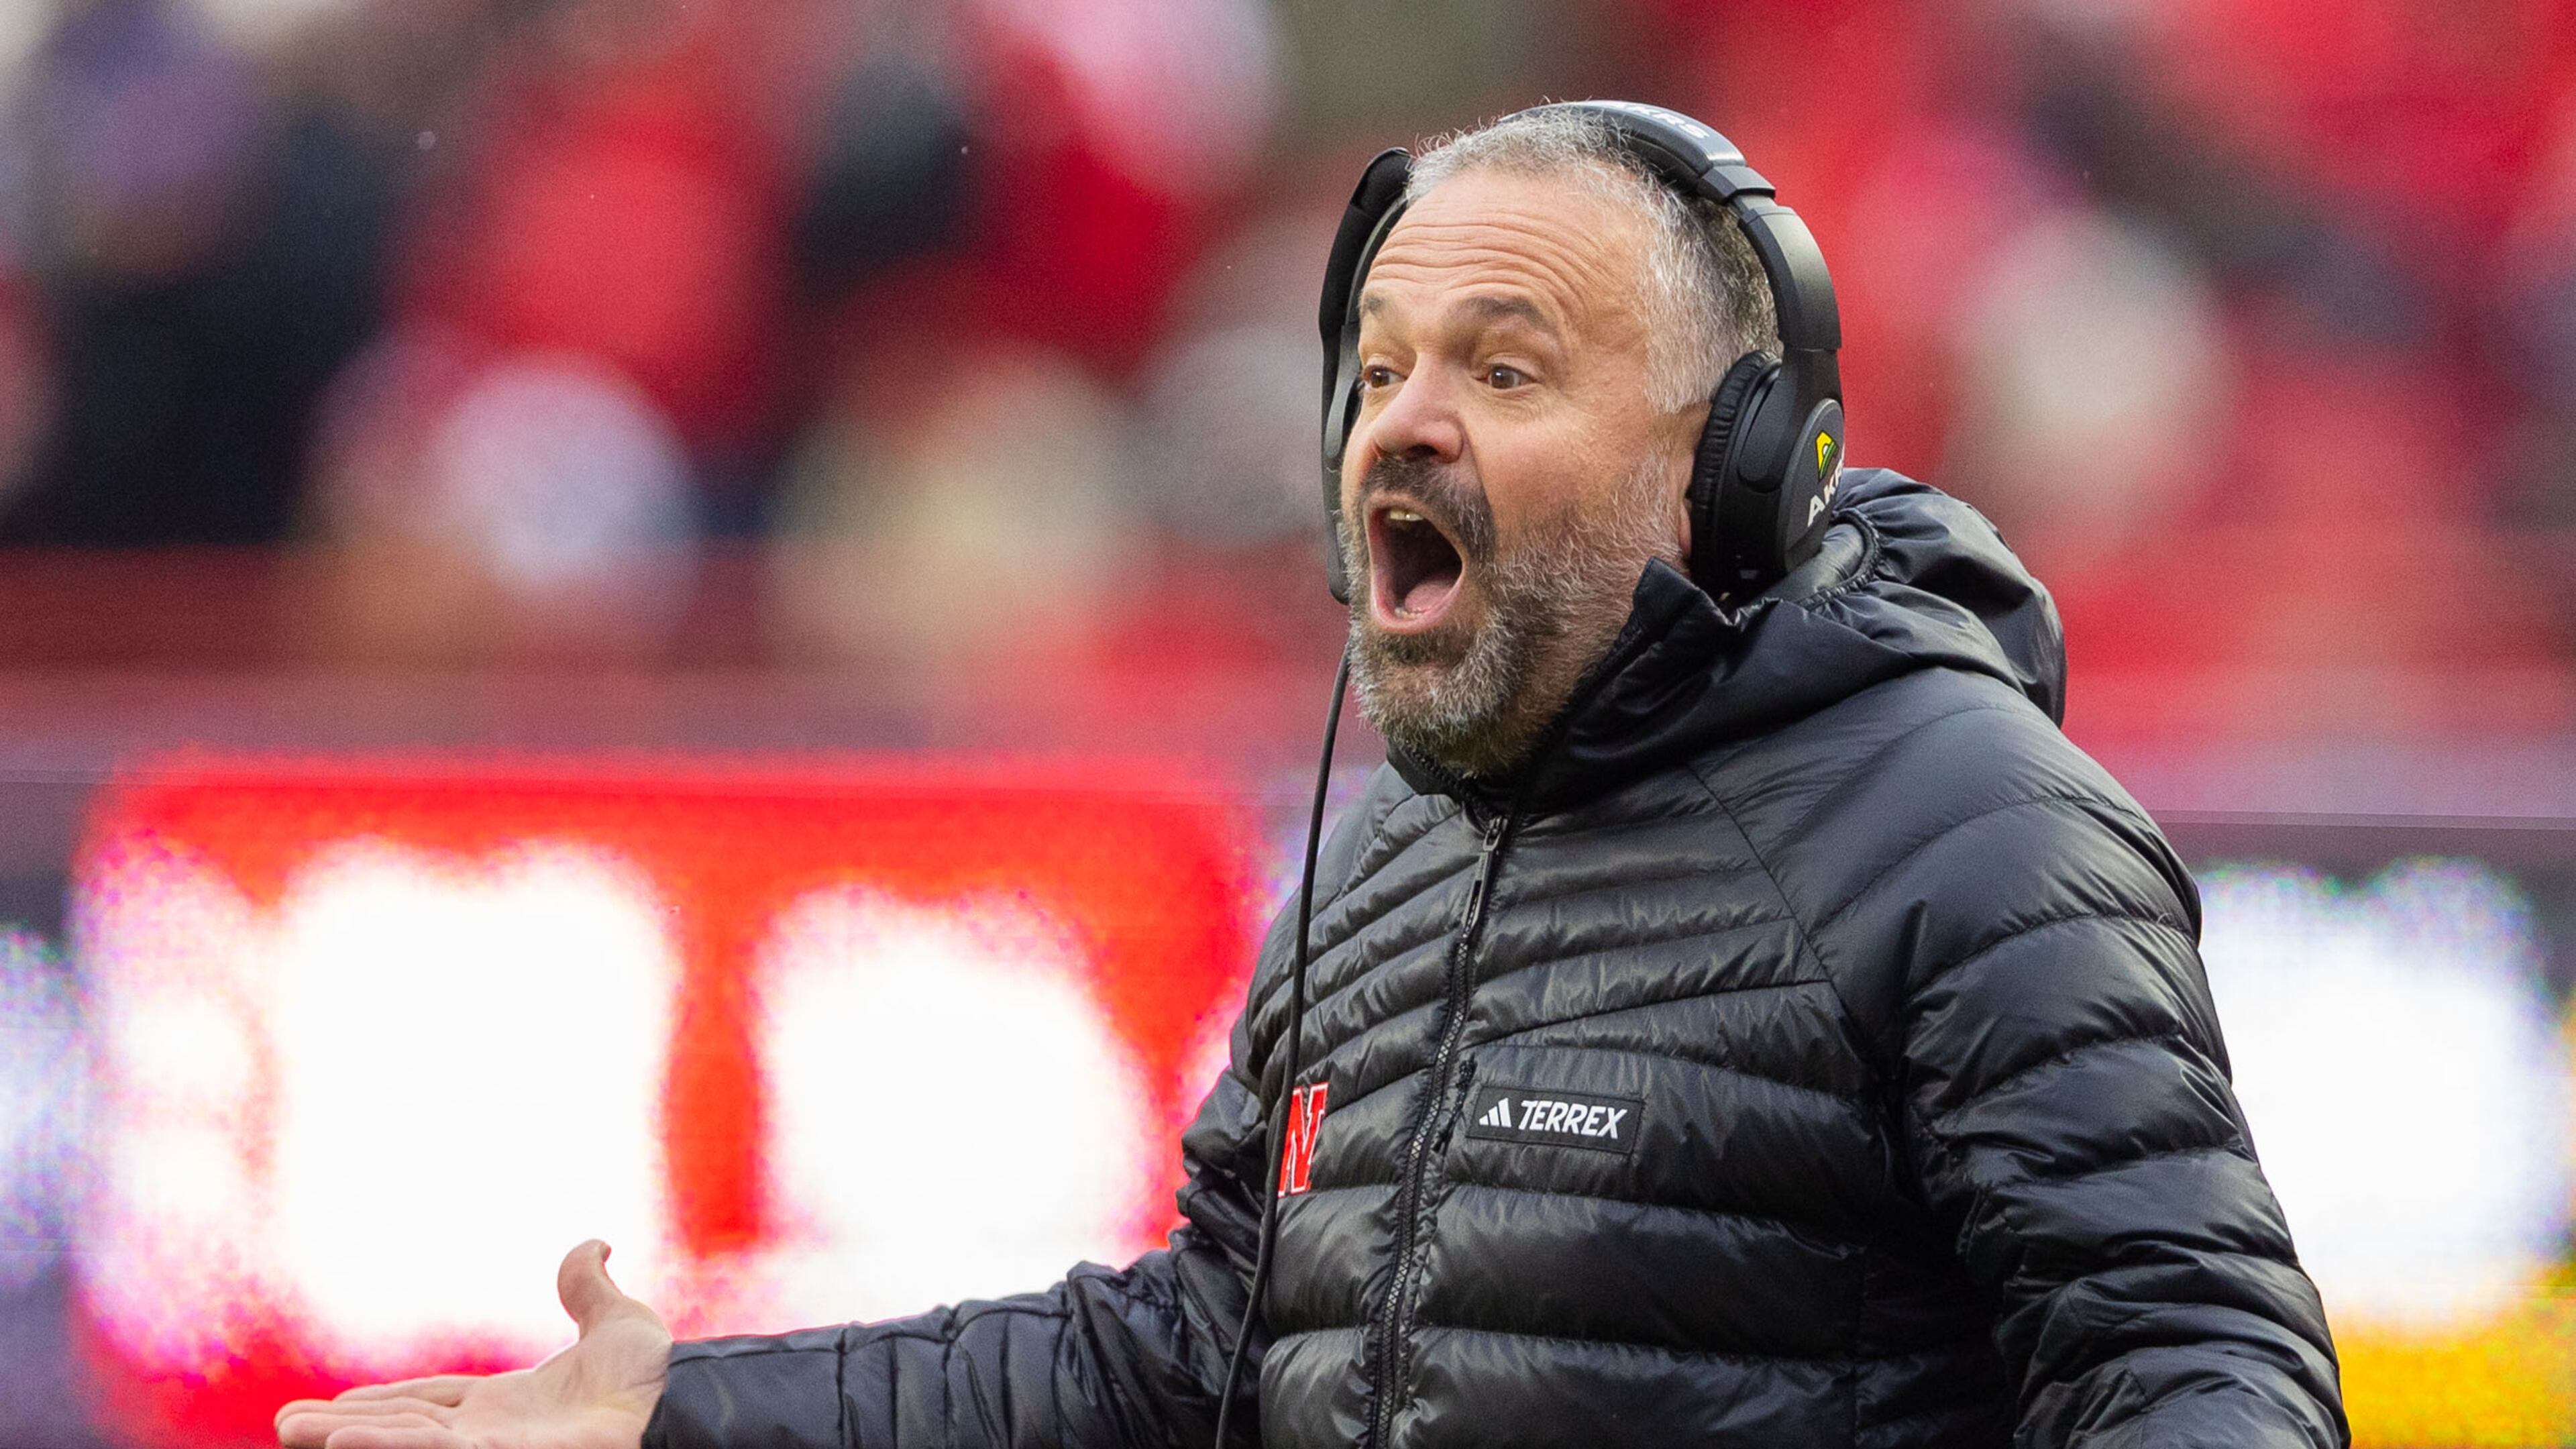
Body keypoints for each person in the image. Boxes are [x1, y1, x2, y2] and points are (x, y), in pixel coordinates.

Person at [275, 103, 2348, 1449]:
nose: (1398, 423)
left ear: (1738, 463)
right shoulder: (1392, 861)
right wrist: (683, 1418)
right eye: (1374, 372)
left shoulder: (1975, 828)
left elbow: (2204, 1380)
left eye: (1503, 367)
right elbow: (1181, 1360)